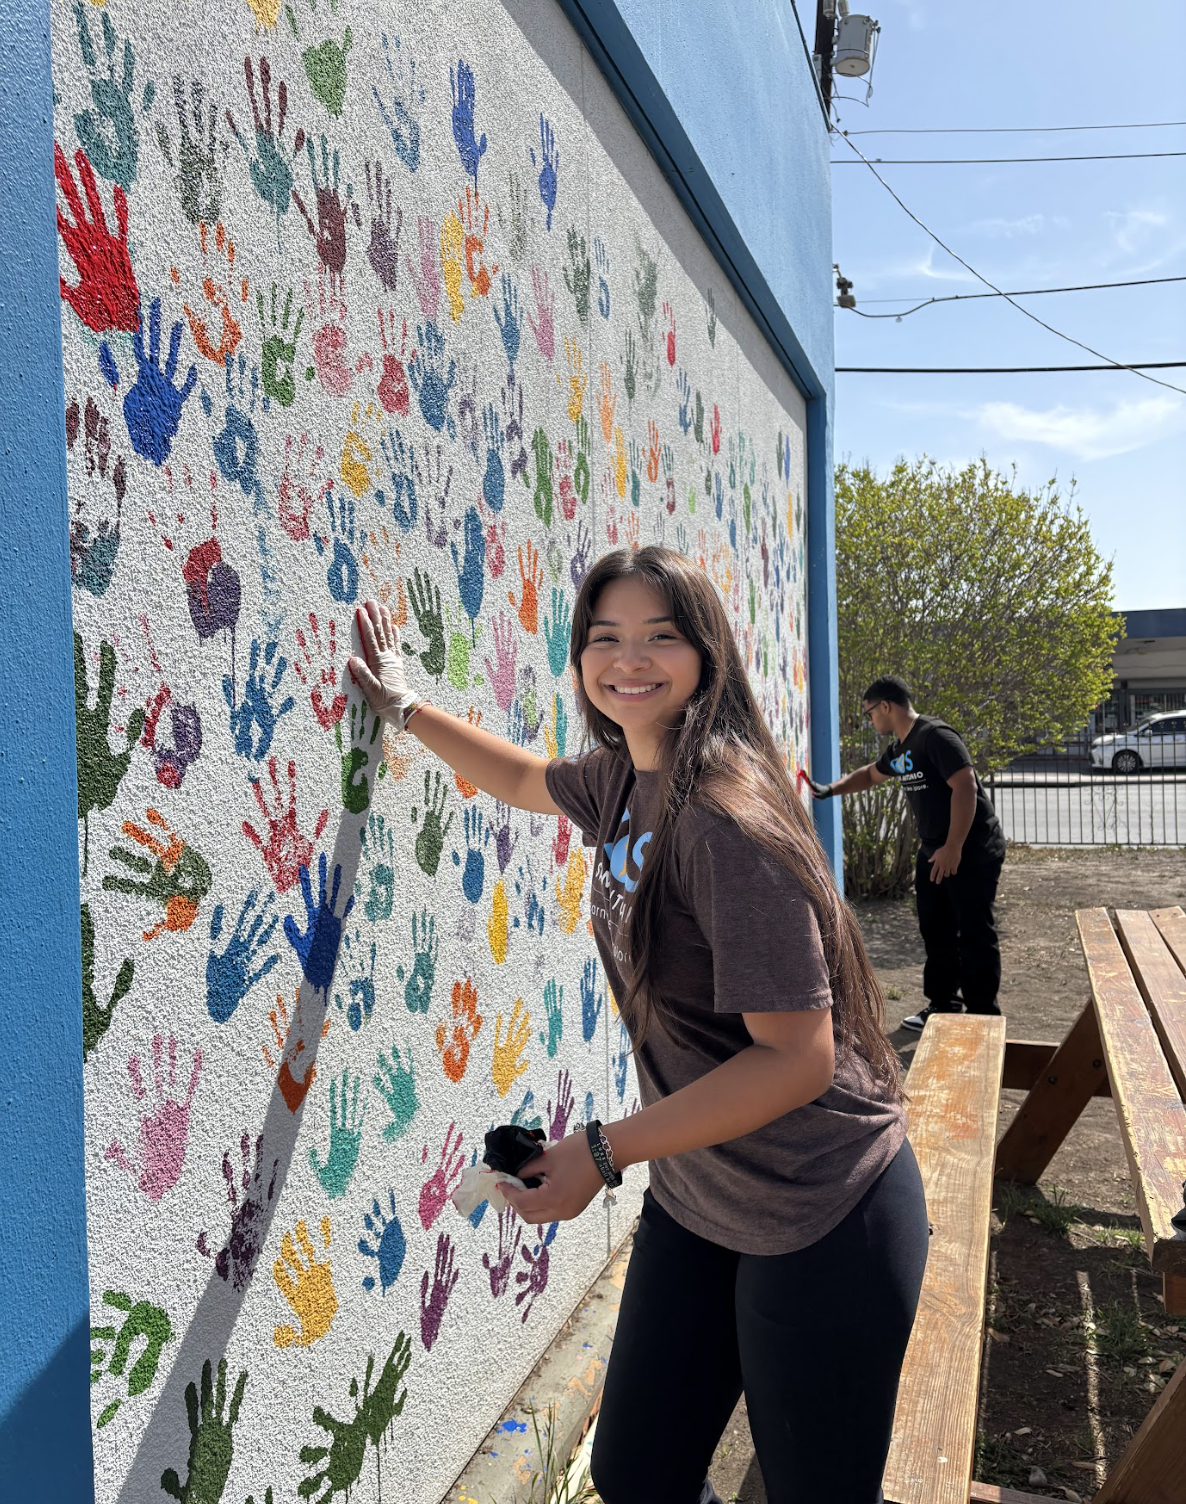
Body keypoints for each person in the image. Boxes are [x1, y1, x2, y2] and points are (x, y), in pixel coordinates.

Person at [348, 547, 929, 1504]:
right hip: (702, 1194)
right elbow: (524, 778)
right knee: (637, 1474)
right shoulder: (626, 779)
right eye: (605, 638)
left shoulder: (723, 820)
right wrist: (407, 708)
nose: (631, 658)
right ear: (578, 661)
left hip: (820, 1210)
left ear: (707, 653)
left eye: (661, 636)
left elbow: (797, 1060)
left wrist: (602, 1152)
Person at [806, 676, 1006, 1031]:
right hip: (935, 851)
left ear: (886, 706)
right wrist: (828, 790)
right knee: (936, 929)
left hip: (971, 850)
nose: (870, 721)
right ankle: (943, 1006)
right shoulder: (902, 750)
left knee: (974, 931)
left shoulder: (935, 736)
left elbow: (965, 786)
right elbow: (870, 775)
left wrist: (954, 846)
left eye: (869, 713)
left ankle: (983, 1018)